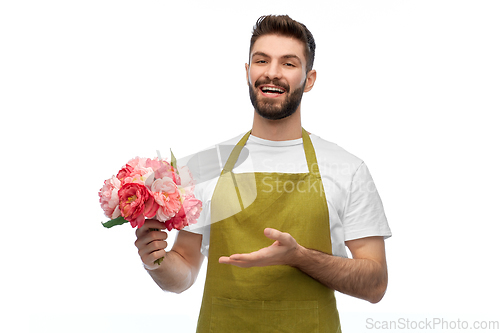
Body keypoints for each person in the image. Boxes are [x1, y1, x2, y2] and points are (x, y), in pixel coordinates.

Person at [134, 14, 391, 332]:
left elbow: (375, 284)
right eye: (262, 60)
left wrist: (299, 256)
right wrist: (155, 260)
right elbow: (183, 272)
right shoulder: (203, 167)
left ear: (309, 79)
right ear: (247, 71)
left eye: (288, 63)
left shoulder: (347, 169)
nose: (272, 73)